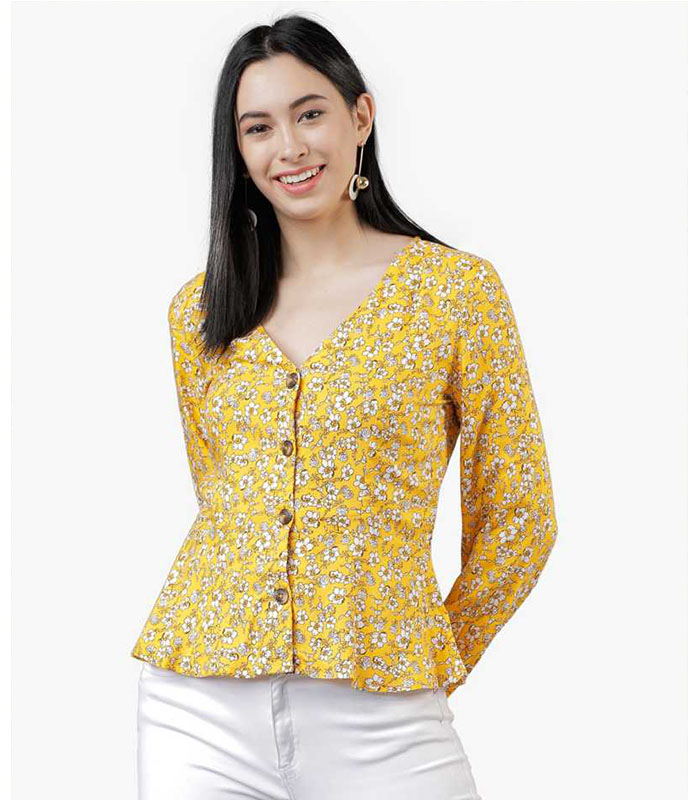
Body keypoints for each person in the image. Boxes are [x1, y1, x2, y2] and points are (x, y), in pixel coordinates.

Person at [130, 13, 558, 800]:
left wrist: (434, 653)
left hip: (386, 715)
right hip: (199, 709)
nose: (289, 147)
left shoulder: (455, 293)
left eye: (310, 114)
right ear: (239, 152)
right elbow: (222, 497)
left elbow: (520, 514)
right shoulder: (199, 311)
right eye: (258, 128)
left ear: (360, 117)